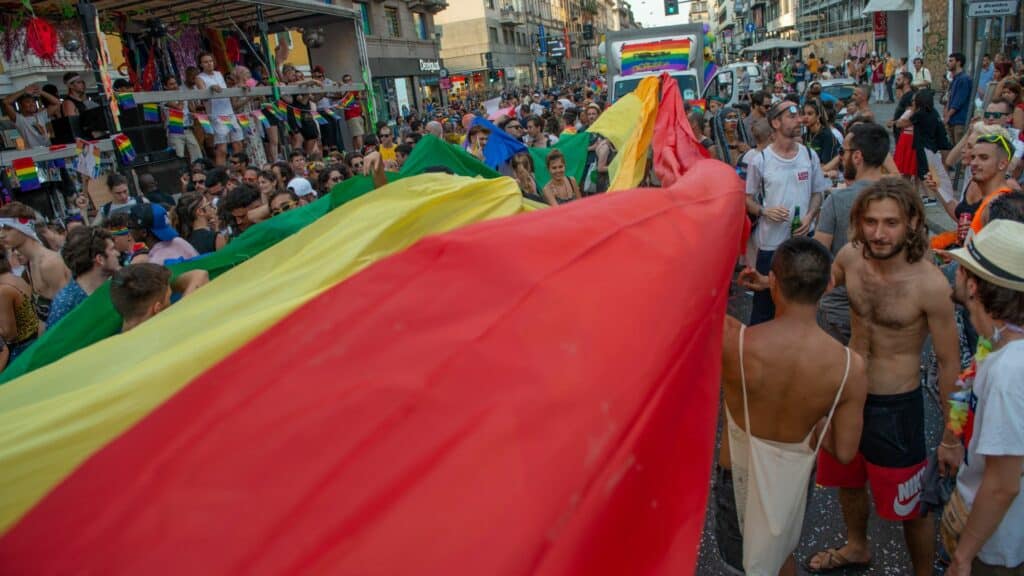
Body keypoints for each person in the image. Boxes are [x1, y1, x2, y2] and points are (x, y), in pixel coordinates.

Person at [796, 178, 960, 575]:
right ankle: (856, 547)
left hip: (895, 406)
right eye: (870, 222)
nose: (879, 233)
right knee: (847, 477)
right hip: (846, 391)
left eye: (890, 223)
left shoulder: (931, 284)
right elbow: (815, 287)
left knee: (912, 504)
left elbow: (950, 362)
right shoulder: (851, 258)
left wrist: (952, 437)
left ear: (913, 222)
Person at [716, 237, 867, 575]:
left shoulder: (734, 340)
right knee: (778, 553)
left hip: (737, 474)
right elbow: (844, 451)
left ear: (774, 281)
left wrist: (769, 285)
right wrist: (816, 426)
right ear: (829, 284)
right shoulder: (849, 366)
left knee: (739, 566)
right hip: (792, 479)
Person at [941, 219, 1024, 576]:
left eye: (962, 269)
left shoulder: (1009, 371)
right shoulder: (998, 345)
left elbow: (1003, 484)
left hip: (995, 546)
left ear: (972, 286)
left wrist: (963, 556)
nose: (955, 274)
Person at [744, 100, 830, 325]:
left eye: (799, 115)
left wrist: (810, 216)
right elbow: (746, 199)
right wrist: (765, 211)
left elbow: (817, 193)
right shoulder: (760, 160)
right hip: (771, 245)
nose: (799, 119)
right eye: (791, 116)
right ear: (775, 122)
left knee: (802, 306)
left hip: (803, 242)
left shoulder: (809, 156)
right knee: (764, 308)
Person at [815, 122, 890, 344]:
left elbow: (819, 256)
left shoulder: (837, 201)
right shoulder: (903, 199)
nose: (842, 158)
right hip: (888, 310)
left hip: (840, 311)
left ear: (857, 157)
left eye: (843, 152)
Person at [0, 203, 70, 323]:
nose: (1, 235)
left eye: (7, 228)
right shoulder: (32, 263)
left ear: (24, 227)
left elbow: (70, 311)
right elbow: (42, 318)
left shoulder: (48, 263)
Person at [47, 226, 120, 327]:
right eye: (112, 249)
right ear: (100, 259)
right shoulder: (66, 303)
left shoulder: (119, 285)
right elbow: (57, 340)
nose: (118, 253)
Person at [109, 263, 208, 333]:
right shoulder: (174, 330)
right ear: (157, 308)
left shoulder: (111, 339)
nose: (171, 301)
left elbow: (200, 275)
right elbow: (201, 274)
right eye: (169, 297)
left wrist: (159, 288)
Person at [194, 52, 244, 167]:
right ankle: (221, 173)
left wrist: (239, 87)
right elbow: (203, 94)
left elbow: (226, 89)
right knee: (222, 148)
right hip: (217, 115)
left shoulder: (218, 74)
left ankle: (239, 169)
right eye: (205, 62)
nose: (209, 64)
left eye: (210, 61)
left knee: (238, 144)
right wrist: (211, 88)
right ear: (201, 64)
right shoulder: (199, 77)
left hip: (229, 112)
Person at [0, 246, 40, 365]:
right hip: (32, 342)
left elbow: (10, 334)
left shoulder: (3, 290)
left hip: (23, 350)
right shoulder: (13, 278)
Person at [126, 203, 199, 266]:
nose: (129, 231)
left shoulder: (156, 264)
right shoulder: (180, 242)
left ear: (143, 232)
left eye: (130, 226)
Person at [162, 75, 203, 163]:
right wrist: (182, 96)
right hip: (174, 130)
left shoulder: (182, 95)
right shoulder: (164, 97)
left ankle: (199, 173)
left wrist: (193, 115)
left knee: (197, 156)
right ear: (165, 87)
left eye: (175, 83)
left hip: (187, 128)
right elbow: (179, 108)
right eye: (171, 84)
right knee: (178, 157)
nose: (175, 86)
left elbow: (189, 110)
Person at [946, 53, 973, 147]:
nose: (948, 63)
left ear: (958, 62)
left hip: (960, 120)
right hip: (953, 120)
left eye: (951, 61)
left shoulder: (964, 79)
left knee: (960, 149)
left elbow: (958, 101)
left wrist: (948, 115)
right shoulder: (955, 79)